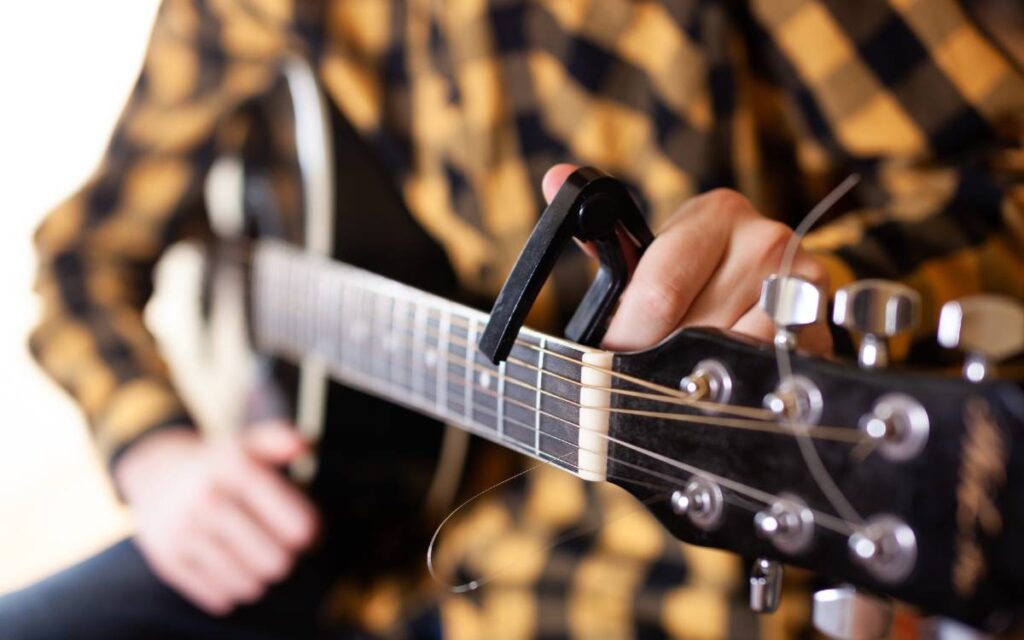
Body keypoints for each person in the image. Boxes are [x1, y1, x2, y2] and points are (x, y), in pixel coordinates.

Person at [3, 0, 1023, 637]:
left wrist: (818, 280)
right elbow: (85, 255)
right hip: (329, 512)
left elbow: (998, 182)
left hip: (660, 541)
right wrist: (156, 453)